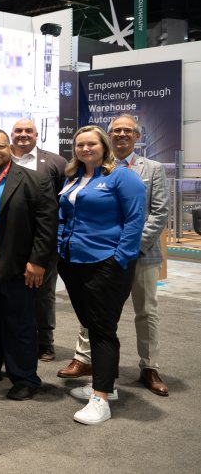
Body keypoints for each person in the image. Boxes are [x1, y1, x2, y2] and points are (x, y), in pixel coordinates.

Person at [60, 115, 171, 396]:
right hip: (86, 258)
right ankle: (86, 361)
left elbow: (153, 214)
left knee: (144, 311)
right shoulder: (76, 175)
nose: (121, 134)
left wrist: (125, 252)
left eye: (127, 131)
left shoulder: (143, 170)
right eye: (116, 130)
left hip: (127, 255)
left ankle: (148, 367)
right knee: (96, 319)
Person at [57, 125, 145, 425]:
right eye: (79, 145)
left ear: (104, 146)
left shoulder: (122, 176)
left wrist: (120, 258)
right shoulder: (74, 177)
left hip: (106, 263)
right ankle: (109, 385)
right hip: (72, 262)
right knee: (92, 325)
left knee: (103, 328)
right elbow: (64, 216)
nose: (85, 149)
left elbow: (135, 220)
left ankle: (101, 399)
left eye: (91, 144)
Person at [0, 129, 58, 400]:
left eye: (0, 146)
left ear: (10, 149)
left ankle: (25, 377)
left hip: (17, 266)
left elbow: (46, 226)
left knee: (19, 323)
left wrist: (38, 262)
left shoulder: (33, 180)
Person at [10, 118, 68, 362]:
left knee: (43, 293)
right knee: (11, 292)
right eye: (18, 131)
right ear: (11, 135)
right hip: (9, 240)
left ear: (36, 135)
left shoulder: (56, 162)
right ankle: (13, 338)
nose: (23, 135)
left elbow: (63, 200)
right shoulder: (4, 159)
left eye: (28, 131)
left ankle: (45, 341)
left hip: (43, 239)